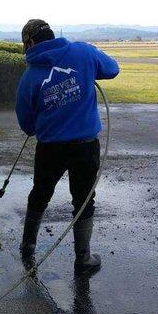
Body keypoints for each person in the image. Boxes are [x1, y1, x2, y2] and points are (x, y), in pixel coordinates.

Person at [16, 19, 119, 275]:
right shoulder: (83, 52)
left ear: (29, 43)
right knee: (83, 200)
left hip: (50, 148)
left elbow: (27, 124)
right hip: (85, 146)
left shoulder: (29, 76)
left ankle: (28, 245)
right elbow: (112, 69)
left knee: (40, 193)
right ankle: (83, 258)